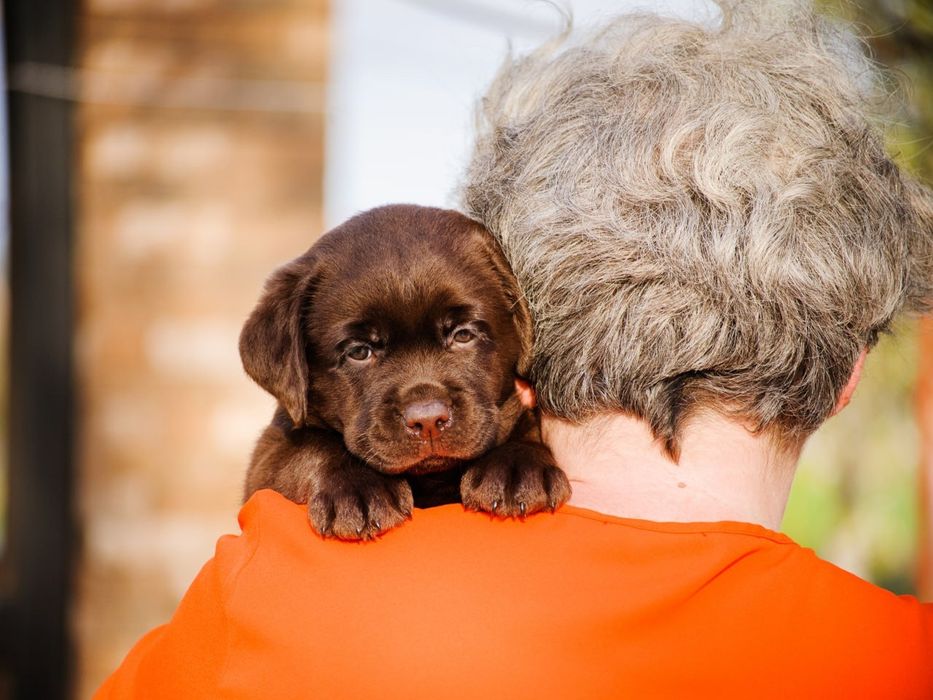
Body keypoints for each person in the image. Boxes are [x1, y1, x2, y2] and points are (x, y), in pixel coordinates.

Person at [97, 2, 933, 698]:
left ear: (530, 339)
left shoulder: (262, 594)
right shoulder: (903, 663)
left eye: (461, 333)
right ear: (845, 374)